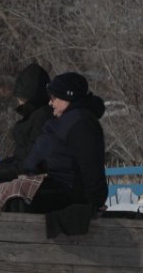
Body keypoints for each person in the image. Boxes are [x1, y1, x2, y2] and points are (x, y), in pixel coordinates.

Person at [20, 71, 108, 214]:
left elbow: (90, 165)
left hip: (65, 198)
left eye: (53, 97)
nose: (50, 102)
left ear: (67, 96)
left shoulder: (81, 123)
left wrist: (93, 204)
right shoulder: (70, 121)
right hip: (51, 192)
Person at [0, 62, 53, 184]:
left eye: (21, 99)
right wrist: (0, 167)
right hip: (27, 176)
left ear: (31, 98)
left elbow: (32, 163)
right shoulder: (35, 116)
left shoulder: (41, 119)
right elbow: (22, 157)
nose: (19, 102)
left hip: (35, 182)